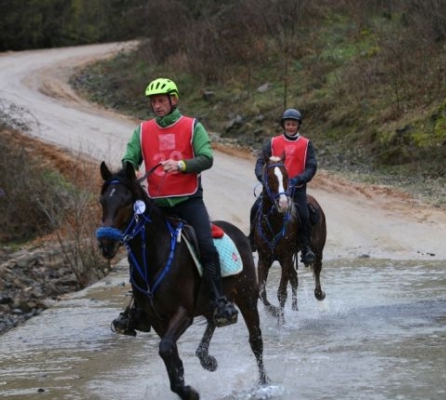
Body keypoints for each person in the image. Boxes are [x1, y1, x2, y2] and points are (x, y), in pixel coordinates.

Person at [112, 78, 238, 336]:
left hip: (189, 201)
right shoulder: (142, 130)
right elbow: (130, 157)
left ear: (173, 100)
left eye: (160, 101)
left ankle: (218, 301)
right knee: (138, 248)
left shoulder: (193, 127)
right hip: (156, 206)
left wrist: (181, 166)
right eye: (153, 102)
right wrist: (130, 167)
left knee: (205, 244)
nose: (156, 106)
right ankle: (136, 310)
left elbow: (207, 158)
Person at [248, 108, 318, 265]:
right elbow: (260, 162)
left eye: (293, 124)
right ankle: (252, 240)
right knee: (255, 208)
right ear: (283, 125)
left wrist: (298, 179)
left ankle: (305, 248)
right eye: (288, 124)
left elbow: (312, 166)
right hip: (274, 190)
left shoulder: (306, 144)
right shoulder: (273, 142)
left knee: (304, 215)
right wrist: (263, 178)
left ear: (298, 126)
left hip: (296, 188)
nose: (290, 127)